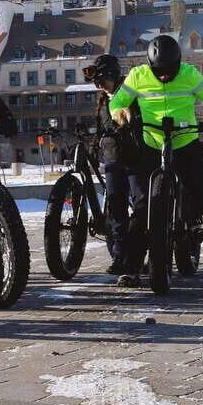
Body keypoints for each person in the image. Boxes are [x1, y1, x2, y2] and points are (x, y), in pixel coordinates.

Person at [109, 34, 203, 286]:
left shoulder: (189, 73)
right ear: (150, 66)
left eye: (169, 71)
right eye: (158, 72)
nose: (164, 76)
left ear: (178, 63)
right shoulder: (138, 76)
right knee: (141, 207)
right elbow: (117, 102)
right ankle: (131, 269)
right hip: (151, 144)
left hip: (186, 143)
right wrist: (120, 112)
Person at [84, 55, 146, 286]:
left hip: (133, 158)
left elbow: (139, 123)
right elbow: (101, 130)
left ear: (113, 76)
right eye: (97, 83)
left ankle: (137, 255)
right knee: (116, 206)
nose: (100, 86)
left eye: (102, 81)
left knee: (140, 205)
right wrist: (92, 149)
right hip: (112, 159)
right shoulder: (103, 100)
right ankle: (120, 257)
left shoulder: (131, 95)